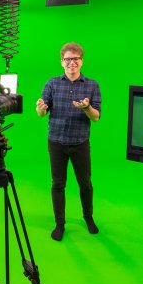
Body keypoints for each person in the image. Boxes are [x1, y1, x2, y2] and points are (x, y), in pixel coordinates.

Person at [36, 42, 102, 241]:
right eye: (67, 59)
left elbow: (96, 116)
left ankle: (88, 217)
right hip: (56, 142)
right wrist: (40, 107)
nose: (71, 63)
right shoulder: (52, 84)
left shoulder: (92, 85)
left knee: (85, 183)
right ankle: (60, 223)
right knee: (58, 183)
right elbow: (41, 112)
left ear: (81, 61)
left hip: (80, 142)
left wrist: (86, 107)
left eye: (75, 59)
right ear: (61, 62)